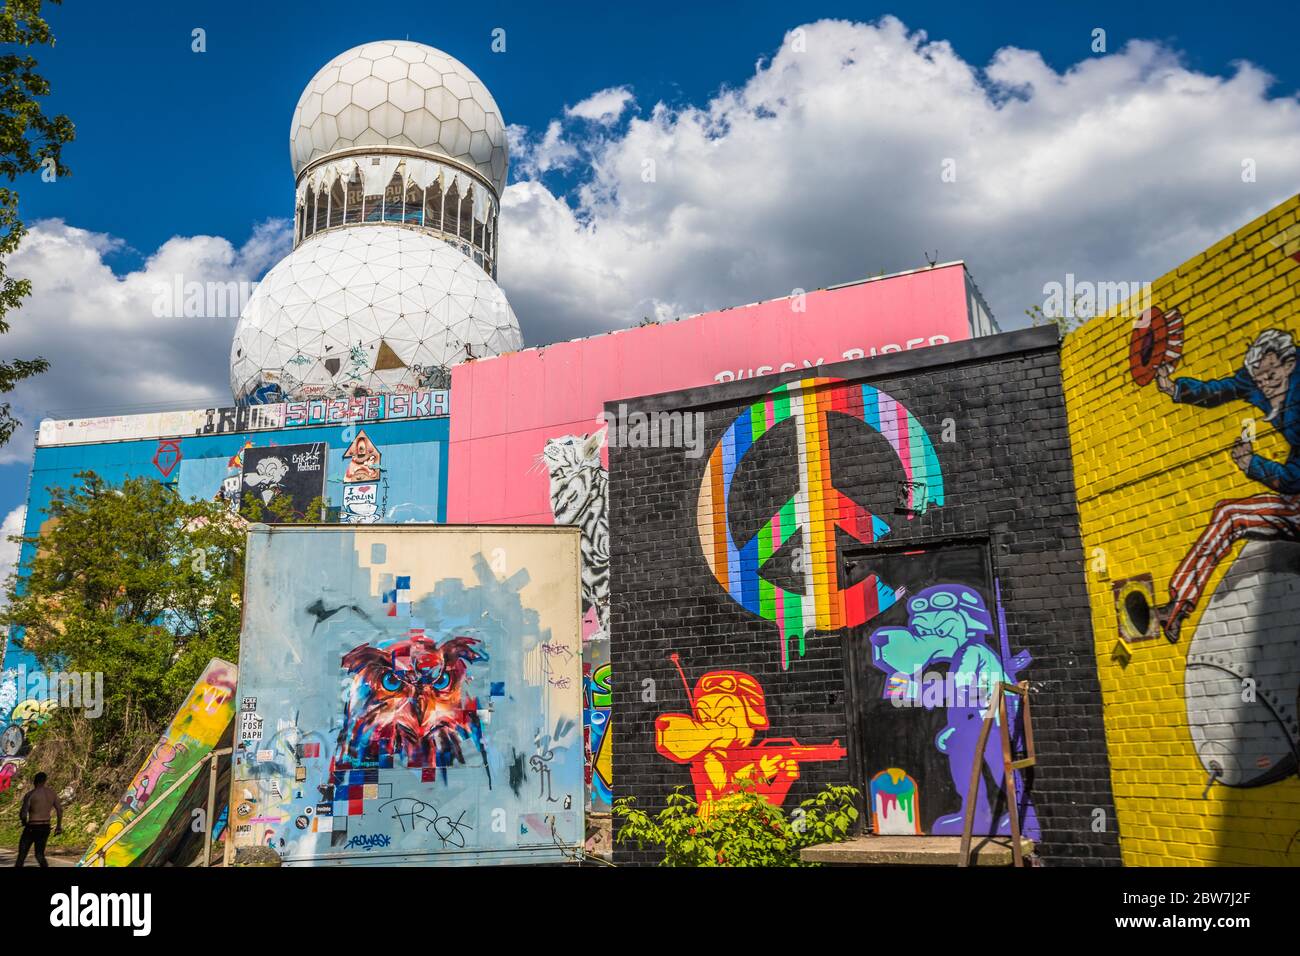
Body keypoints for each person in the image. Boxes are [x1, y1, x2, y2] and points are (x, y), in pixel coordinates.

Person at [1154, 328, 1300, 641]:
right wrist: (1175, 388)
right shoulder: (1257, 377)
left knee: (1231, 515)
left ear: (1289, 365)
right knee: (1229, 514)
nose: (1265, 386)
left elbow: (1292, 480)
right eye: (1259, 379)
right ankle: (1176, 607)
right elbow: (1220, 390)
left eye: (1271, 376)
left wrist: (1253, 464)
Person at [16, 771, 63, 867]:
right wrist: (58, 826)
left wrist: (24, 821)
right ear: (45, 781)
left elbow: (24, 814)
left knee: (22, 855)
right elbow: (59, 810)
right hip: (45, 827)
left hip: (32, 827)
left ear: (35, 781)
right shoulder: (52, 793)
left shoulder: (30, 794)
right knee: (39, 854)